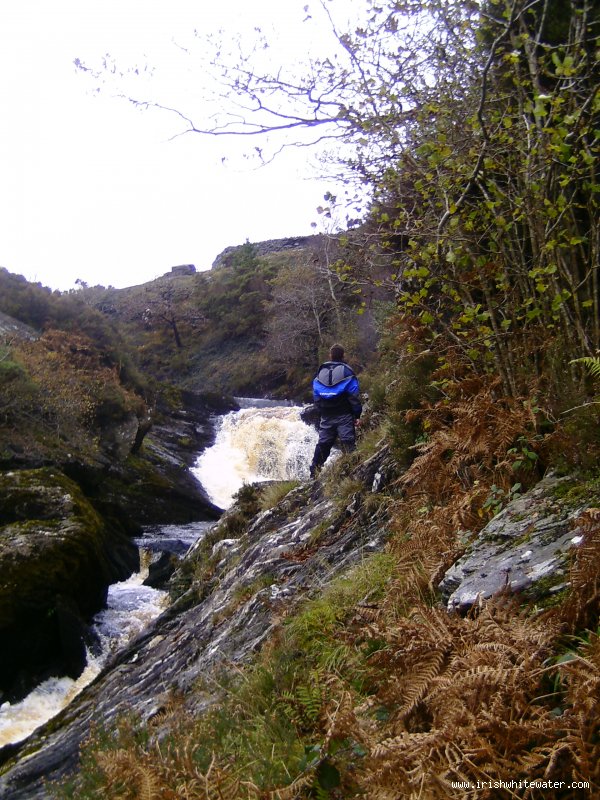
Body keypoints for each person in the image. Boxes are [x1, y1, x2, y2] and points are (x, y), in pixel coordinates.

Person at [309, 344, 362, 478]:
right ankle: (354, 473)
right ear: (343, 355)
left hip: (326, 415)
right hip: (344, 414)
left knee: (323, 444)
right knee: (348, 442)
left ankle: (314, 473)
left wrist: (321, 409)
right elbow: (354, 395)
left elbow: (316, 395)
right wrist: (357, 414)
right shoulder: (347, 371)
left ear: (330, 355)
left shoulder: (321, 372)